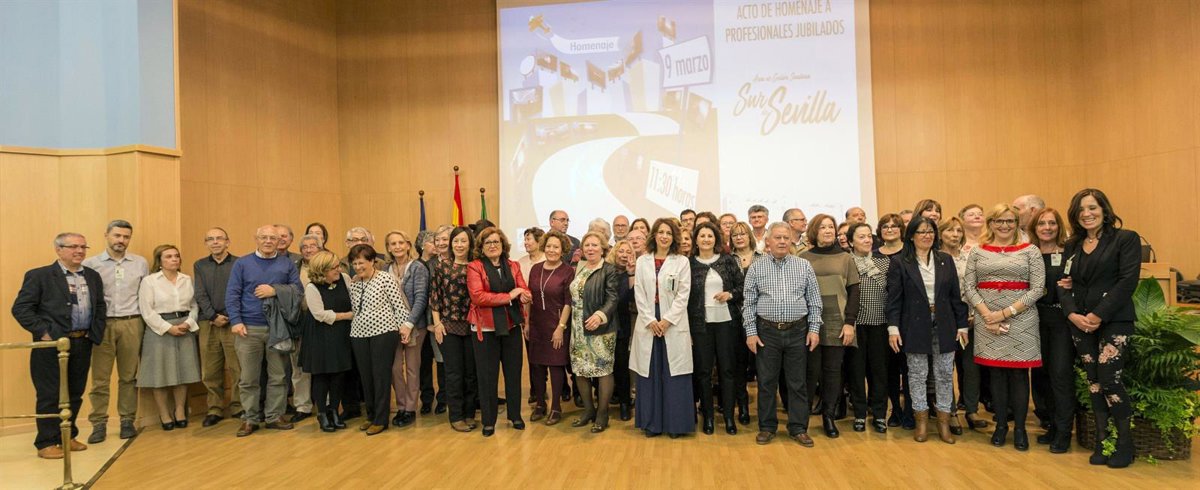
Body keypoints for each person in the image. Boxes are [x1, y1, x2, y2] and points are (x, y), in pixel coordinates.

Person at [1059, 188, 1140, 468]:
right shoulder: (1072, 245)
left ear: (1104, 210)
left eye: (1092, 207)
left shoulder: (1125, 239)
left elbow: (1127, 281)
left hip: (1114, 320)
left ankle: (1125, 444)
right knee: (1093, 382)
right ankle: (1102, 442)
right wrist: (1072, 314)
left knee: (1109, 380)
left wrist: (1097, 315)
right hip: (1079, 323)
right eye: (1081, 210)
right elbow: (1063, 284)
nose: (1087, 214)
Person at [12, 232, 105, 459]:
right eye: (73, 247)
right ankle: (46, 442)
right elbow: (21, 309)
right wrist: (44, 333)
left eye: (83, 247)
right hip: (52, 345)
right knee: (50, 393)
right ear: (58, 249)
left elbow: (100, 307)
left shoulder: (92, 276)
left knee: (75, 392)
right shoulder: (40, 275)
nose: (79, 251)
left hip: (82, 342)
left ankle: (67, 436)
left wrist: (94, 333)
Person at [964, 204, 1046, 451]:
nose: (1004, 225)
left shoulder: (1030, 250)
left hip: (1022, 319)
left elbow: (1038, 288)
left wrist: (1005, 313)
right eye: (999, 221)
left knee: (1019, 375)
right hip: (986, 319)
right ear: (990, 223)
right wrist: (988, 315)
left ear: (1016, 223)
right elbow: (969, 287)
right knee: (996, 374)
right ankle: (1001, 425)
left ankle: (1020, 428)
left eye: (1010, 221)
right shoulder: (978, 251)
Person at [885, 217, 970, 444]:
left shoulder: (945, 260)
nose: (927, 235)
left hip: (945, 324)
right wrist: (893, 329)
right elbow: (894, 300)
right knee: (917, 374)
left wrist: (962, 325)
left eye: (930, 231)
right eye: (921, 232)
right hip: (913, 325)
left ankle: (943, 422)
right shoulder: (900, 262)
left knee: (944, 374)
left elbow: (955, 296)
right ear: (911, 236)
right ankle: (921, 421)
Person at [743, 222, 823, 447]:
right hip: (766, 332)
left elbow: (814, 300)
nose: (781, 241)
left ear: (791, 241)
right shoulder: (756, 268)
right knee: (766, 382)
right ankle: (767, 427)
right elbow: (748, 303)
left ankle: (798, 428)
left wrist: (814, 329)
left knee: (797, 383)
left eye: (785, 238)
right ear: (767, 241)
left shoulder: (803, 266)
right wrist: (751, 332)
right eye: (777, 237)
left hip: (798, 331)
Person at [226, 225, 303, 437]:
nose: (268, 241)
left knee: (278, 376)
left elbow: (298, 291)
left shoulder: (287, 264)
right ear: (256, 239)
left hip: (278, 329)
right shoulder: (242, 263)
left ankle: (274, 416)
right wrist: (236, 321)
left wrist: (275, 290)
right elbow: (232, 294)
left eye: (273, 238)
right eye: (264, 237)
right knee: (248, 378)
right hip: (248, 328)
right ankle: (250, 418)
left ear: (279, 241)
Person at [84, 219, 148, 444]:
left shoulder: (140, 263)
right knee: (100, 379)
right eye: (117, 235)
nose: (121, 240)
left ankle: (127, 420)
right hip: (103, 325)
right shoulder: (91, 264)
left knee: (129, 376)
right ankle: (98, 423)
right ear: (107, 235)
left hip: (132, 323)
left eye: (126, 237)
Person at [799, 215, 860, 439]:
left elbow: (854, 291)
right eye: (823, 227)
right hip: (809, 320)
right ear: (814, 231)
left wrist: (849, 322)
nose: (828, 230)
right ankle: (802, 419)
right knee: (810, 371)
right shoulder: (803, 257)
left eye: (831, 227)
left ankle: (828, 417)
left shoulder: (846, 258)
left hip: (837, 319)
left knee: (833, 372)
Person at [631, 218, 694, 438]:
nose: (664, 236)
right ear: (654, 235)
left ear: (674, 237)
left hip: (672, 323)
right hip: (649, 322)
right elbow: (639, 292)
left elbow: (683, 294)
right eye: (661, 232)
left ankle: (676, 425)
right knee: (650, 374)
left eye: (668, 233)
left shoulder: (682, 262)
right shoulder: (642, 261)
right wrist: (650, 320)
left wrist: (667, 320)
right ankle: (652, 424)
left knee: (674, 374)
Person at [467, 227, 531, 437]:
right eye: (488, 243)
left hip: (511, 325)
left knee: (513, 373)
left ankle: (515, 416)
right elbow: (478, 297)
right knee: (487, 376)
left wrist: (525, 295)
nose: (493, 245)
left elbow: (523, 288)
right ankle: (488, 421)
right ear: (481, 247)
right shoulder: (475, 267)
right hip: (485, 328)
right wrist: (509, 296)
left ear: (503, 245)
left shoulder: (513, 265)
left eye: (496, 242)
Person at [137, 245, 202, 431]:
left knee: (183, 372)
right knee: (160, 373)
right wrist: (168, 328)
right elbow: (146, 311)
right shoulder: (150, 281)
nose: (174, 259)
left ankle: (180, 410)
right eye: (168, 256)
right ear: (160, 261)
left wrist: (188, 323)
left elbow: (194, 305)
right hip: (159, 329)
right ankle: (164, 414)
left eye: (176, 256)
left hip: (184, 327)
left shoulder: (186, 279)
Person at [687, 222, 743, 435]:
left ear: (716, 239)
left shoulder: (727, 260)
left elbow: (742, 287)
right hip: (700, 325)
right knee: (703, 372)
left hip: (727, 324)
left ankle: (728, 417)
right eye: (702, 236)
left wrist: (730, 294)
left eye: (710, 236)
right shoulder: (689, 264)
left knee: (727, 370)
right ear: (696, 240)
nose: (706, 239)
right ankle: (708, 417)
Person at [1027, 207, 1076, 453]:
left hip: (1061, 320)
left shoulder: (1069, 253)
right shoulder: (1029, 253)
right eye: (1041, 224)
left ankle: (1064, 431)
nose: (1047, 228)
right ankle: (1051, 425)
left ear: (1059, 226)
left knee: (1060, 374)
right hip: (1035, 319)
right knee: (1041, 374)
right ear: (1034, 228)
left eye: (1052, 223)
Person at [348, 244, 409, 435]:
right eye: (354, 263)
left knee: (380, 376)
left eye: (361, 262)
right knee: (366, 377)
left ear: (372, 261)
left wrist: (404, 328)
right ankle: (371, 415)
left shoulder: (385, 278)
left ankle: (381, 419)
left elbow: (399, 306)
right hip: (358, 333)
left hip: (384, 332)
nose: (358, 267)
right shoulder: (354, 283)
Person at [569, 232, 621, 433]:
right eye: (587, 245)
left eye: (595, 245)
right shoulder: (579, 268)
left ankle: (602, 413)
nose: (590, 248)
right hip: (577, 327)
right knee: (580, 369)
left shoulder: (609, 269)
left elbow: (613, 298)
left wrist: (600, 316)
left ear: (603, 248)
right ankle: (588, 410)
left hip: (601, 328)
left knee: (603, 370)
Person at [430, 227, 479, 432]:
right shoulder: (442, 267)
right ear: (451, 244)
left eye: (463, 241)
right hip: (448, 326)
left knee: (471, 373)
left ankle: (469, 413)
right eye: (456, 241)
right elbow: (435, 297)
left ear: (470, 244)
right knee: (453, 373)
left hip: (473, 326)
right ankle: (456, 416)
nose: (459, 245)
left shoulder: (477, 266)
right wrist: (437, 323)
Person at [194, 227, 243, 427]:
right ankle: (214, 409)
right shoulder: (200, 265)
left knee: (237, 367)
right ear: (206, 243)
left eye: (219, 238)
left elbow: (242, 291)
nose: (215, 242)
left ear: (227, 242)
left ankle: (238, 406)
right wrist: (213, 316)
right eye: (210, 239)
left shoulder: (239, 263)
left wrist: (231, 316)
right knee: (210, 369)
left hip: (234, 322)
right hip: (209, 323)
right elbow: (200, 293)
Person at [940, 217, 985, 432]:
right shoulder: (935, 259)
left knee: (971, 367)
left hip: (971, 319)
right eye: (950, 230)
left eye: (958, 230)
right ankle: (950, 412)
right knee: (946, 368)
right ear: (940, 234)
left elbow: (978, 286)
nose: (955, 234)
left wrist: (976, 313)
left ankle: (971, 409)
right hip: (945, 320)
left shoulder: (971, 257)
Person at [300, 251, 354, 432]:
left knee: (339, 374)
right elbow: (320, 314)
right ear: (322, 271)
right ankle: (322, 413)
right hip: (320, 335)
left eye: (338, 266)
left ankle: (334, 411)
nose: (338, 270)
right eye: (333, 268)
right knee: (322, 375)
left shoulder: (345, 279)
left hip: (341, 334)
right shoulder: (312, 287)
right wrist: (347, 315)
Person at [845, 223, 890, 434]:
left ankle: (879, 414)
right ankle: (860, 414)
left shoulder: (884, 261)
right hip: (855, 325)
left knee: (879, 371)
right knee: (856, 372)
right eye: (861, 237)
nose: (867, 240)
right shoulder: (846, 262)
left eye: (869, 236)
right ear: (851, 241)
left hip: (880, 324)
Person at [525, 230, 574, 425]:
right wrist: (527, 323)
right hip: (537, 324)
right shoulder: (535, 269)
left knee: (556, 365)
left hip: (556, 325)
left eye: (556, 247)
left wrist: (561, 327)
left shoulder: (568, 271)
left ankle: (555, 407)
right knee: (536, 365)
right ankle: (540, 404)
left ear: (562, 250)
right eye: (549, 246)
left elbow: (569, 302)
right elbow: (530, 297)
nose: (552, 250)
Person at [384, 231, 428, 428]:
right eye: (393, 244)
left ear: (408, 245)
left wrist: (408, 324)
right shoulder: (385, 269)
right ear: (388, 247)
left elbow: (421, 298)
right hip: (391, 326)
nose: (397, 247)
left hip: (415, 326)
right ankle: (401, 406)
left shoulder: (418, 267)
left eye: (401, 243)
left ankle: (410, 408)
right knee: (394, 368)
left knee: (412, 368)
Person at [876, 213, 910, 428]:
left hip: (906, 318)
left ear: (901, 229)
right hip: (881, 319)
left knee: (908, 368)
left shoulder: (910, 253)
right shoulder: (873, 254)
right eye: (885, 226)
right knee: (889, 369)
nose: (889, 229)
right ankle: (895, 410)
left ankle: (910, 410)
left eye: (894, 226)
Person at [289, 234, 323, 423]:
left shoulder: (327, 265)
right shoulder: (293, 267)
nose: (308, 249)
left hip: (322, 322)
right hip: (299, 321)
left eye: (312, 246)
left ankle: (326, 404)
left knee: (323, 364)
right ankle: (302, 406)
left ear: (320, 248)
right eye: (305, 247)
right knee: (298, 366)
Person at [729, 220, 761, 424]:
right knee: (738, 366)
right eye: (735, 235)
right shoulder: (726, 260)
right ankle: (742, 407)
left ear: (750, 236)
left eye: (742, 233)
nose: (739, 237)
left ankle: (764, 410)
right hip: (735, 318)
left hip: (760, 318)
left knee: (762, 366)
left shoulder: (763, 258)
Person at [415, 230, 446, 414]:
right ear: (422, 245)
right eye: (432, 241)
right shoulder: (416, 266)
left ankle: (443, 399)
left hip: (437, 322)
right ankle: (426, 399)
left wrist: (434, 322)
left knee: (442, 361)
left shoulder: (439, 264)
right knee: (423, 363)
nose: (436, 244)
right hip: (420, 323)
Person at [607, 239, 637, 421]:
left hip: (622, 324)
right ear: (614, 253)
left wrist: (631, 274)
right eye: (621, 251)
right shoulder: (606, 271)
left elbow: (632, 298)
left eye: (628, 252)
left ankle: (625, 404)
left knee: (621, 365)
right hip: (604, 324)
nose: (624, 255)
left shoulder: (633, 273)